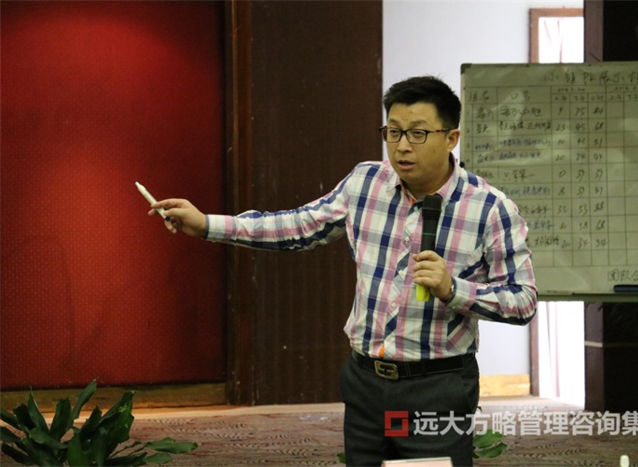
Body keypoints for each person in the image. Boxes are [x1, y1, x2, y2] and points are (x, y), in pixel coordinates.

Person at [150, 76, 537, 466]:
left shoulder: (490, 209)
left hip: (435, 387)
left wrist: (454, 289)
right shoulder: (366, 183)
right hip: (366, 382)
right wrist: (207, 225)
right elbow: (298, 226)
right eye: (394, 132)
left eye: (418, 134)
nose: (402, 146)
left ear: (451, 137)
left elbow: (522, 301)